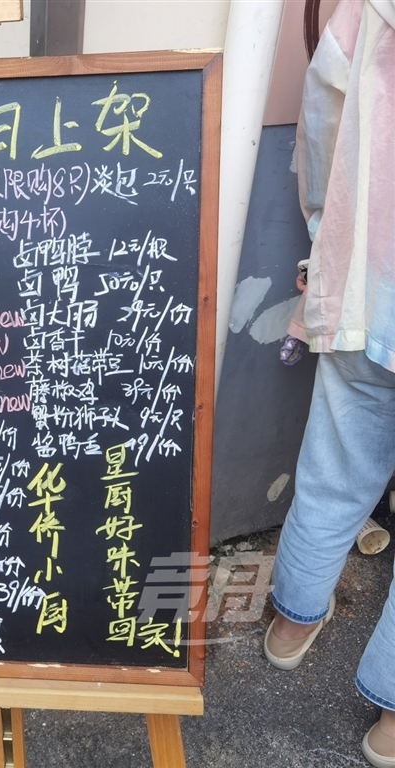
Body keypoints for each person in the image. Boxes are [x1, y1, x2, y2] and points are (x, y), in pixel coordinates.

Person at [262, 1, 395, 766]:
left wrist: (324, 230)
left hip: (370, 284)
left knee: (335, 466)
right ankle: (392, 720)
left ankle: (292, 623)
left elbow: (322, 108)